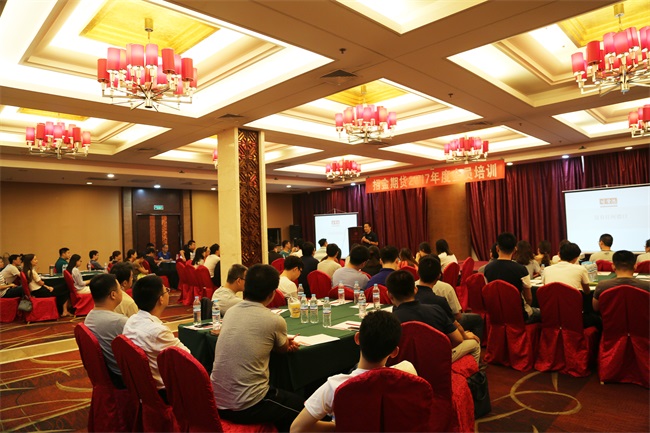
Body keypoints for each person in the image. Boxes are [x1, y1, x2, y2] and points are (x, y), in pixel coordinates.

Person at [290, 310, 416, 432]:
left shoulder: (335, 386)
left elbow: (297, 429)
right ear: (394, 352)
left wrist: (340, 427)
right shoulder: (407, 375)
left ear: (357, 338)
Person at [211, 264, 302, 432]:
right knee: (303, 409)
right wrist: (285, 342)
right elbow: (283, 349)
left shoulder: (230, 312)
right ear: (272, 293)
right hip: (247, 405)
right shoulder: (274, 320)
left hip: (216, 401)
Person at [387, 270, 480, 365]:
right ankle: (474, 373)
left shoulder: (388, 321)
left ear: (389, 295)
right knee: (474, 343)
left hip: (404, 365)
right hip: (436, 361)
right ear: (415, 290)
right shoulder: (436, 310)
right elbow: (458, 339)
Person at [123, 275, 190, 391]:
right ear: (161, 299)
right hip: (163, 390)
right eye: (166, 290)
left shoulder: (131, 321)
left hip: (140, 385)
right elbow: (187, 357)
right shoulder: (158, 331)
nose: (168, 293)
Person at [418, 255, 484, 340]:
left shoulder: (411, 292)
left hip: (419, 335)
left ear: (417, 273)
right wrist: (465, 335)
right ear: (439, 275)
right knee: (477, 320)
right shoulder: (443, 294)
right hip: (443, 335)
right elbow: (457, 316)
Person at [484, 232, 540, 323]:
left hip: (496, 315)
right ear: (515, 250)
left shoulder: (487, 269)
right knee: (543, 313)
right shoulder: (521, 269)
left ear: (497, 248)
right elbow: (529, 298)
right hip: (518, 315)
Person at [84, 273, 127, 388]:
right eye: (120, 289)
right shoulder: (119, 321)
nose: (122, 291)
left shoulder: (90, 316)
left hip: (107, 373)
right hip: (122, 378)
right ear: (113, 294)